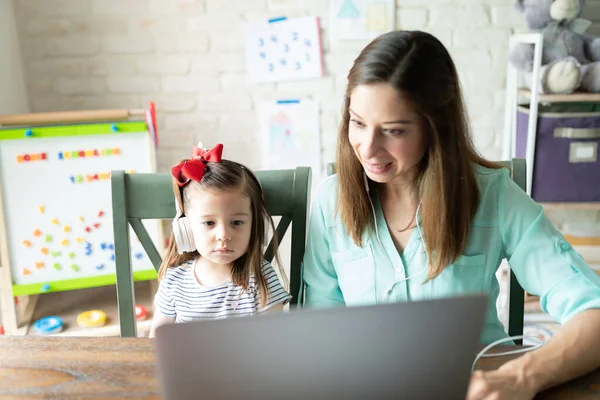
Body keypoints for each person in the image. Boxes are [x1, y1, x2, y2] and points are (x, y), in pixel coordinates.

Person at [302, 30, 600, 399]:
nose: (368, 148)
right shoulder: (330, 201)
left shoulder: (493, 195)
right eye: (358, 122)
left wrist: (522, 376)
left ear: (436, 126)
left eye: (393, 131)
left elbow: (593, 311)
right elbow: (320, 333)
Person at [149, 143, 291, 337]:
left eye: (237, 222)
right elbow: (156, 343)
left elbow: (276, 342)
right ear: (185, 227)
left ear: (256, 225)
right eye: (209, 223)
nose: (224, 235)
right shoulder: (174, 281)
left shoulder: (261, 278)